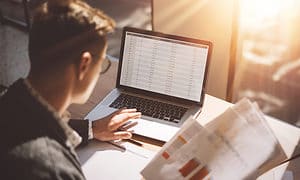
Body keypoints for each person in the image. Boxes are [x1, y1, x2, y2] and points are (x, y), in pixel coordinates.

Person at [0, 0, 141, 179]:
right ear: (84, 64)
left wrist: (92, 129)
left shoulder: (7, 100)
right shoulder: (53, 169)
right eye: (102, 64)